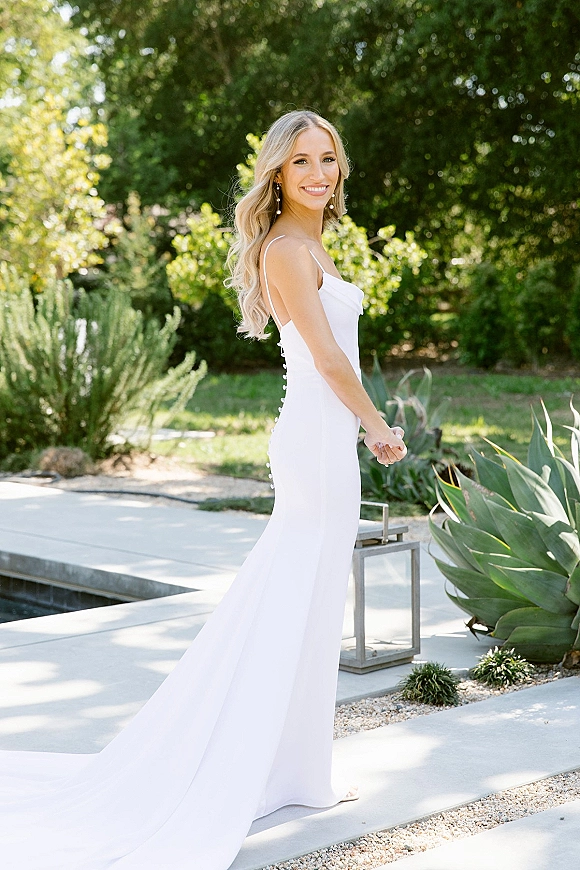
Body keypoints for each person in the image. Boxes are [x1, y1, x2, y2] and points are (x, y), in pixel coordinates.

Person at [0, 109, 406, 869]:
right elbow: (327, 358)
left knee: (315, 604)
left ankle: (296, 771)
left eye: (328, 159)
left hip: (327, 443)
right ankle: (248, 766)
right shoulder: (285, 249)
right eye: (302, 162)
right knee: (292, 599)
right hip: (315, 445)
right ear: (277, 173)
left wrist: (358, 429)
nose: (319, 174)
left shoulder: (312, 242)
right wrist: (377, 424)